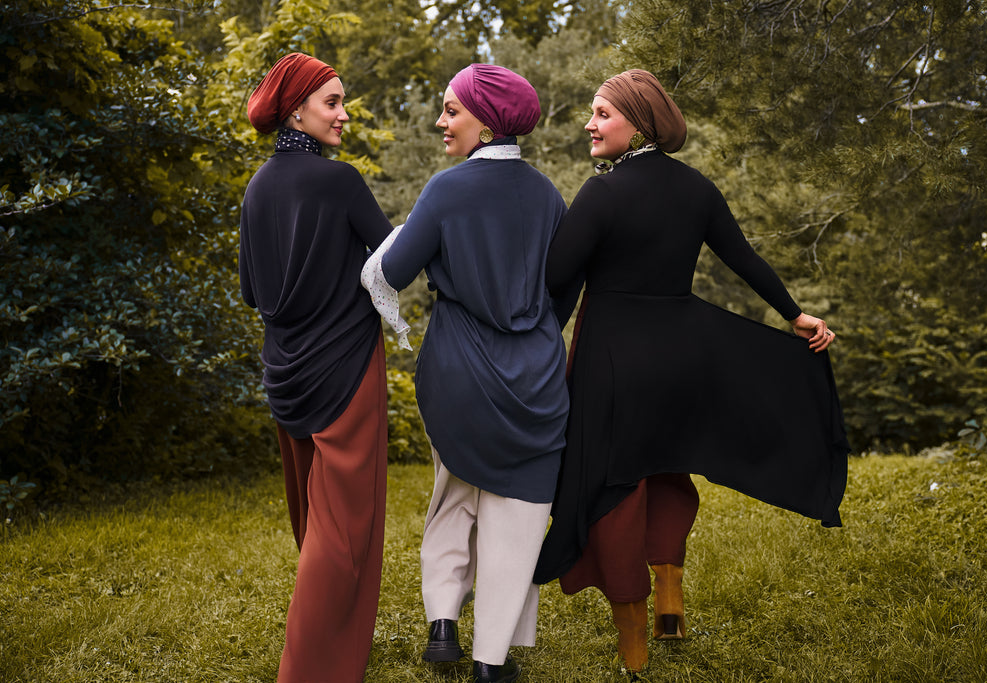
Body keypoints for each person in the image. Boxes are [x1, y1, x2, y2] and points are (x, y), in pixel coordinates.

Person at [531, 69, 850, 677]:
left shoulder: (600, 194)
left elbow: (555, 284)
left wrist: (523, 343)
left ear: (640, 121)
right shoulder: (697, 189)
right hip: (683, 356)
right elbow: (743, 258)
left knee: (614, 489)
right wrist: (796, 315)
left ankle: (633, 645)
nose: (590, 124)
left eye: (602, 113)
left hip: (615, 360)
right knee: (667, 466)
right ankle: (671, 596)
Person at [361, 64, 569, 683]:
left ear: (487, 121)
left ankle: (444, 624)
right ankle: (491, 660)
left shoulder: (445, 190)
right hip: (535, 380)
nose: (440, 121)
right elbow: (565, 293)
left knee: (452, 491)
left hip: (457, 373)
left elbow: (391, 273)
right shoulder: (549, 195)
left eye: (451, 110)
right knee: (520, 514)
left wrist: (406, 234)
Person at [239, 52, 394, 683]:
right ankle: (308, 669)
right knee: (342, 526)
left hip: (285, 370)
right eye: (332, 102)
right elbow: (392, 260)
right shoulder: (340, 182)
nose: (344, 113)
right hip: (348, 368)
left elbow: (253, 292)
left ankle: (338, 638)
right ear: (297, 107)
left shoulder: (256, 188)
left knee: (312, 520)